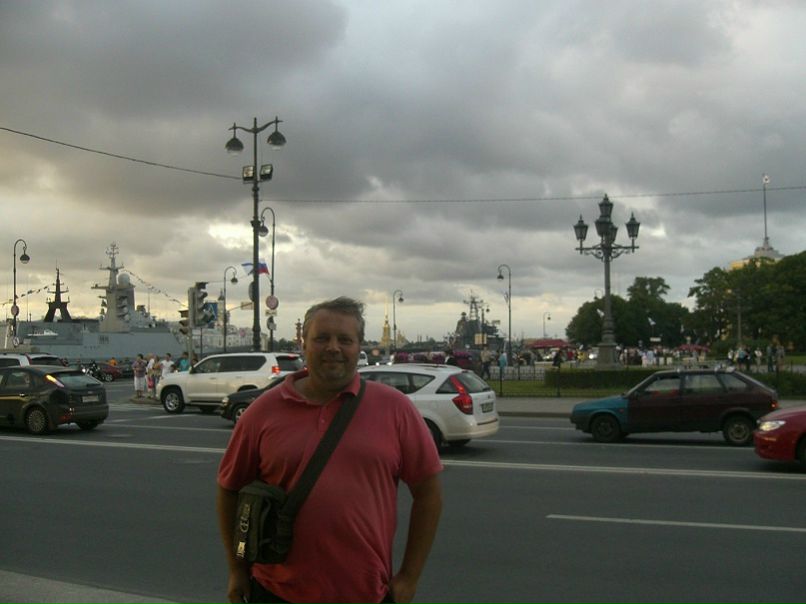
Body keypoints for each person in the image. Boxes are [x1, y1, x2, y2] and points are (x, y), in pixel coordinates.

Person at [217, 297, 443, 604]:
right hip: (275, 591)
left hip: (366, 593)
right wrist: (237, 568)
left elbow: (429, 494)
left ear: (359, 347)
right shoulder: (263, 411)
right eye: (322, 338)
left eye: (345, 340)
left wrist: (409, 578)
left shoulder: (395, 408)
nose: (333, 348)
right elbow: (229, 490)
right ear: (304, 344)